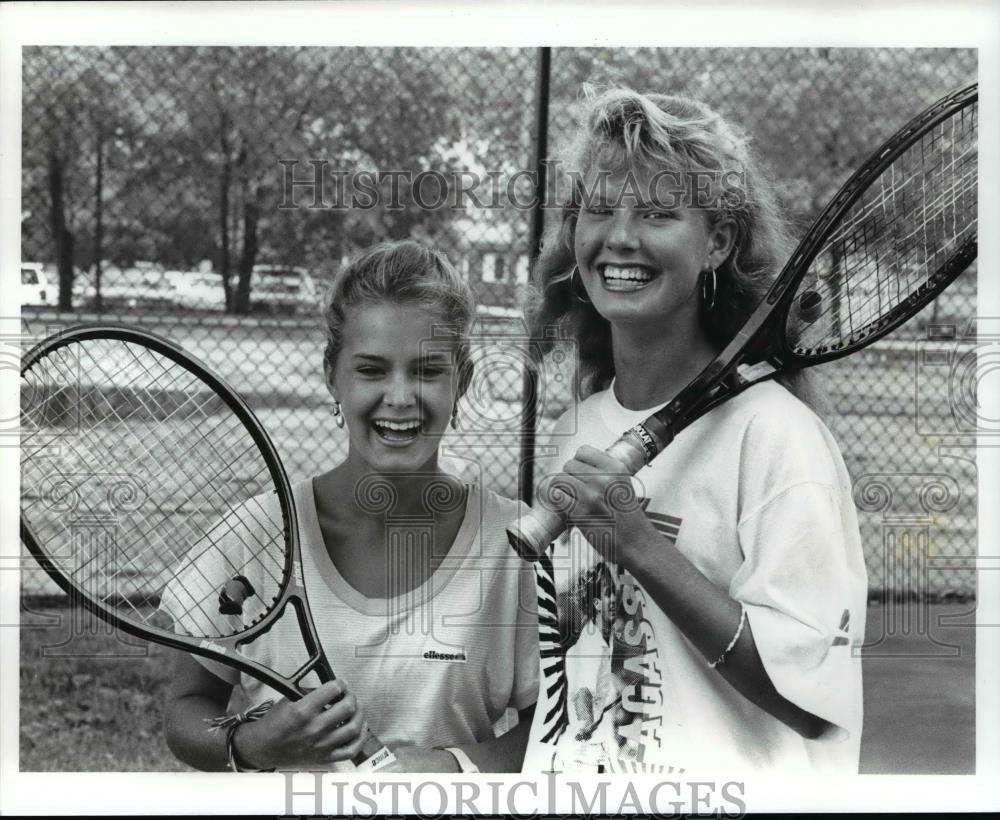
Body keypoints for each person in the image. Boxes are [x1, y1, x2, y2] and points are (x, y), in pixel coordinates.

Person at [519, 88, 868, 775]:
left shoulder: (775, 437)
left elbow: (813, 705)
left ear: (717, 242)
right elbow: (577, 664)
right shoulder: (578, 429)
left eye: (656, 213)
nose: (619, 237)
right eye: (599, 209)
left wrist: (640, 545)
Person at [162, 240, 538, 772]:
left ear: (464, 382)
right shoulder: (259, 533)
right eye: (372, 370)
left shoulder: (515, 544)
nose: (401, 397)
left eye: (429, 371)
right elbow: (187, 710)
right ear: (332, 375)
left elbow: (557, 730)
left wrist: (452, 767)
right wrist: (251, 744)